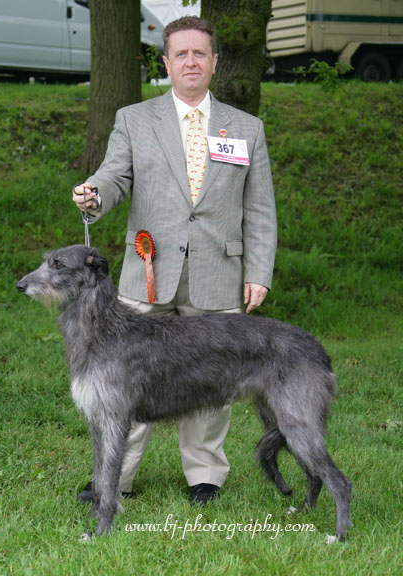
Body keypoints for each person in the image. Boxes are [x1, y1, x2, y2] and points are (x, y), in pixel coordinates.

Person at [72, 16, 277, 506]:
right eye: (180, 54)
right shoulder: (133, 119)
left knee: (212, 377)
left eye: (199, 53)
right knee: (124, 380)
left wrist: (259, 273)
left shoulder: (247, 129)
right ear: (165, 63)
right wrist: (93, 195)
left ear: (214, 63)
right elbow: (112, 177)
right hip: (145, 277)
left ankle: (205, 474)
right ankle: (114, 476)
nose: (190, 61)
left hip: (218, 275)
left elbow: (260, 209)